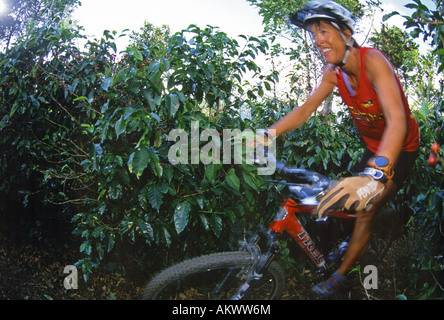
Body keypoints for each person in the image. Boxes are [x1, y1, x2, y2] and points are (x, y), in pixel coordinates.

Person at [262, 1, 419, 298]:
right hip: (373, 147)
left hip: (401, 149)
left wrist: (377, 173)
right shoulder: (333, 72)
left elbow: (397, 120)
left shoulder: (373, 61)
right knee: (334, 197)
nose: (317, 39)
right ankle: (351, 240)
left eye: (323, 31)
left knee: (366, 207)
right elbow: (308, 108)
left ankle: (340, 275)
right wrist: (268, 134)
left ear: (346, 33)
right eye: (312, 34)